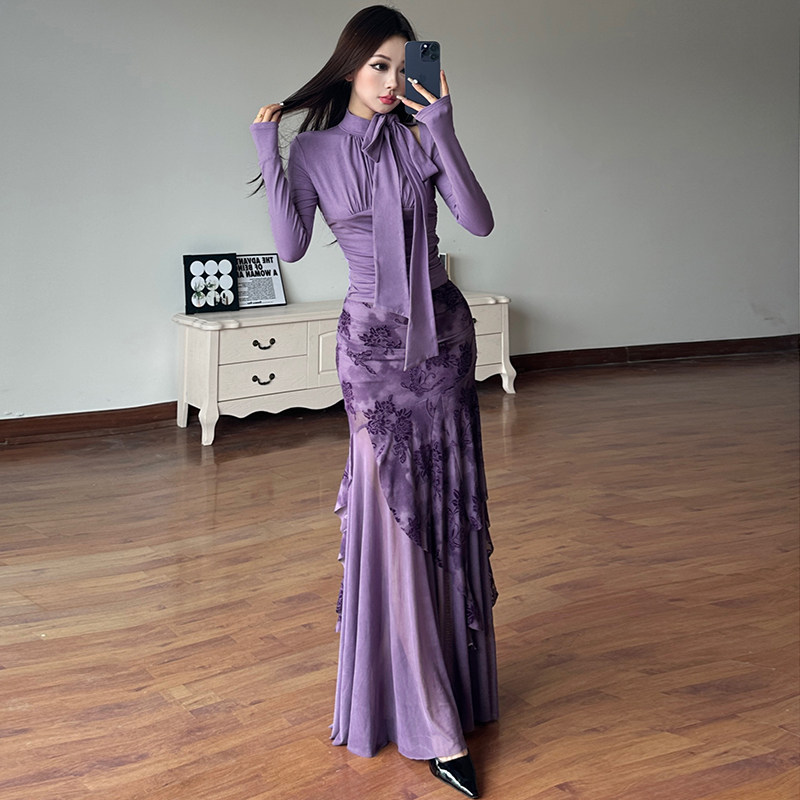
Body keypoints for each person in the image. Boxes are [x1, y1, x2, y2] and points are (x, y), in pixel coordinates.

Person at [250, 6, 498, 797]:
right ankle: (429, 717)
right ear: (351, 68)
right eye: (378, 66)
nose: (391, 81)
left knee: (445, 506)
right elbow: (291, 245)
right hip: (371, 352)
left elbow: (479, 222)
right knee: (393, 516)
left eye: (401, 66)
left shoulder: (422, 137)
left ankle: (451, 687)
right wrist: (265, 151)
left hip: (444, 341)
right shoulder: (314, 151)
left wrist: (445, 127)